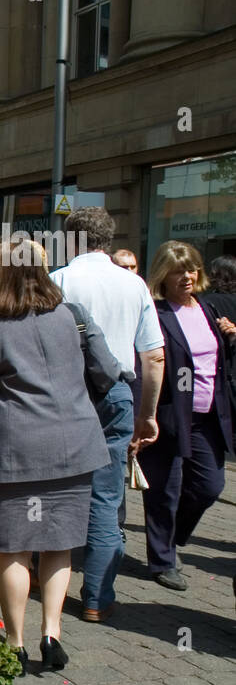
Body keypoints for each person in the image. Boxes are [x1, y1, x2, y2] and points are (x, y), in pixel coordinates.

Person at [0, 239, 114, 672]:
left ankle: (15, 642)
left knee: (13, 549)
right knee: (58, 545)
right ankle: (52, 633)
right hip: (74, 447)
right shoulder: (71, 318)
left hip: (14, 452)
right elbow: (105, 370)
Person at [50, 206, 165, 623]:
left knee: (57, 488)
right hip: (117, 393)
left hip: (66, 395)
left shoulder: (58, 280)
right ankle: (97, 597)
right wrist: (147, 414)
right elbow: (153, 356)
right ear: (108, 239)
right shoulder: (133, 285)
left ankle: (46, 577)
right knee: (106, 496)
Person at [137, 241, 234, 592]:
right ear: (164, 274)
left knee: (210, 487)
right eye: (179, 270)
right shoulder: (156, 313)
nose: (187, 276)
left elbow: (215, 358)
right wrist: (144, 415)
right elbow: (147, 362)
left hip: (209, 414)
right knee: (164, 490)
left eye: (192, 268)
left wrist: (230, 336)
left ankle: (172, 536)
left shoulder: (207, 310)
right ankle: (163, 560)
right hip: (168, 413)